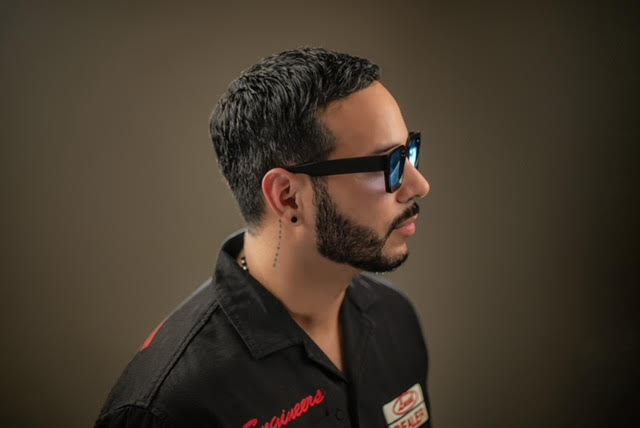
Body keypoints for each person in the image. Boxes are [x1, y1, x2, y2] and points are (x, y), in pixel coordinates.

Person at [95, 47, 432, 428]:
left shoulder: (394, 318)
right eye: (389, 164)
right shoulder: (169, 406)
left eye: (410, 152)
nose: (419, 185)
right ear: (288, 197)